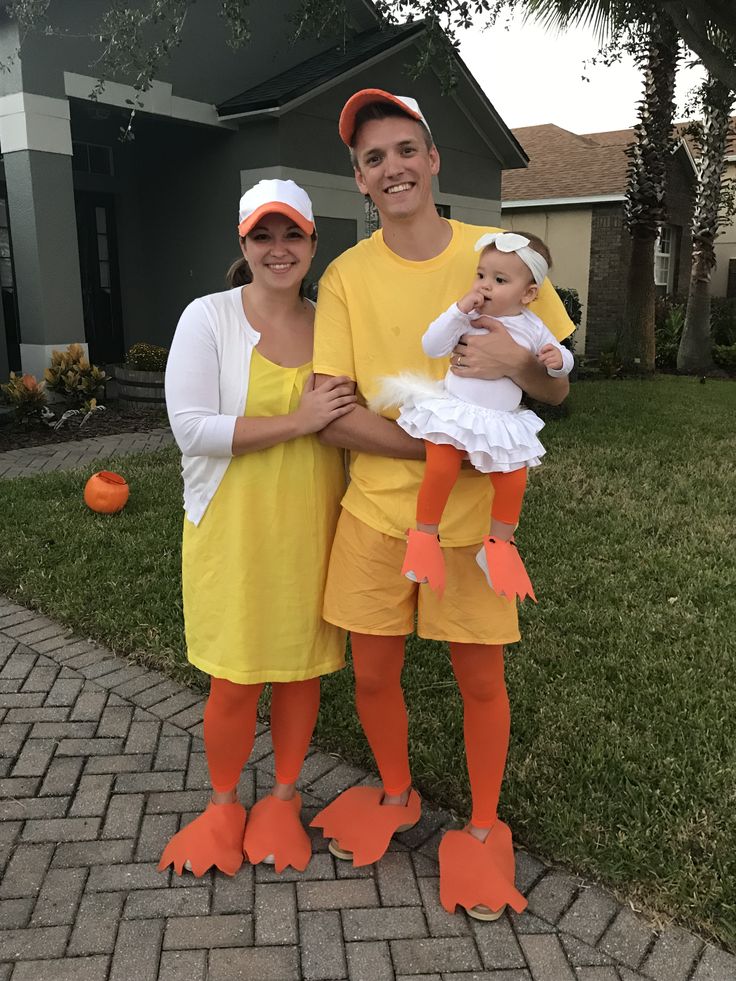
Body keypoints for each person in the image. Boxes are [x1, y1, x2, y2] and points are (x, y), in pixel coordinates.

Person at [308, 90, 574, 919]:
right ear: (359, 180)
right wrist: (437, 453)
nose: (394, 168)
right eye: (374, 158)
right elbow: (334, 411)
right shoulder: (348, 275)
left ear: (433, 160)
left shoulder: (496, 253)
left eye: (405, 150)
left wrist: (518, 364)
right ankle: (396, 794)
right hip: (379, 510)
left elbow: (558, 386)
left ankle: (487, 827)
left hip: (471, 528)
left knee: (479, 678)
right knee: (374, 670)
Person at [159, 179, 355, 877]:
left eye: (292, 234)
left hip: (312, 523)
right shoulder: (209, 318)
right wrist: (299, 421)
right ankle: (221, 806)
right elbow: (191, 429)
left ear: (312, 242)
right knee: (236, 680)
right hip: (235, 532)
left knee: (301, 672)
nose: (279, 249)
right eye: (263, 236)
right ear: (242, 244)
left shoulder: (333, 318)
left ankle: (280, 797)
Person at [371, 229, 573, 600]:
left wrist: (559, 361)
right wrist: (457, 310)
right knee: (442, 466)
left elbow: (558, 358)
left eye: (499, 280)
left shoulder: (532, 326)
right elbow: (432, 346)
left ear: (528, 294)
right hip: (457, 412)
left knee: (513, 480)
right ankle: (425, 537)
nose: (485, 285)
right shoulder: (470, 315)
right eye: (481, 275)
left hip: (498, 420)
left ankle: (499, 546)